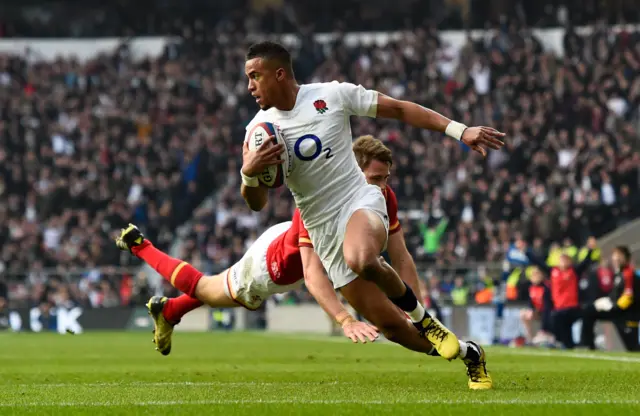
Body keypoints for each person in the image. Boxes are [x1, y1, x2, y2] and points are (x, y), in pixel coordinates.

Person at [239, 41, 504, 372]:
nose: (249, 86)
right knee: (394, 329)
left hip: (358, 199)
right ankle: (470, 354)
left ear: (278, 74)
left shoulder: (331, 96)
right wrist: (249, 174)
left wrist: (460, 130)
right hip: (323, 230)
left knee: (362, 258)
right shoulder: (258, 133)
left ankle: (425, 320)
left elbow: (399, 109)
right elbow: (256, 202)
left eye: (255, 76)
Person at [116, 222, 490, 389]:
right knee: (207, 288)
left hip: (305, 249)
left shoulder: (375, 196)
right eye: (372, 176)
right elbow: (313, 276)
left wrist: (421, 314)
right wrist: (344, 318)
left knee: (392, 325)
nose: (377, 183)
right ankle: (140, 246)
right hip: (272, 264)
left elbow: (401, 254)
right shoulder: (319, 201)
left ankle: (170, 312)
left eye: (381, 177)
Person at [517, 238, 597, 349]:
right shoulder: (553, 272)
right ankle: (566, 344)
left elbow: (585, 262)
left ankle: (580, 343)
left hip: (572, 308)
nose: (563, 261)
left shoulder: (574, 272)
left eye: (566, 259)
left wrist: (590, 249)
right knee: (560, 324)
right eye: (561, 259)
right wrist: (525, 251)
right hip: (559, 309)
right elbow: (538, 262)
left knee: (575, 317)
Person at [580, 246, 640, 351]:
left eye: (619, 256)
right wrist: (606, 301)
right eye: (615, 256)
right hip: (619, 313)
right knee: (589, 311)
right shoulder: (618, 274)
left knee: (633, 348)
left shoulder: (628, 274)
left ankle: (588, 345)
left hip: (627, 315)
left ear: (626, 258)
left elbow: (628, 296)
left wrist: (612, 306)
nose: (616, 259)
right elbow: (616, 294)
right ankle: (588, 345)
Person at [518, 266, 554, 346]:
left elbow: (548, 306)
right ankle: (530, 337)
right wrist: (532, 310)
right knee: (523, 313)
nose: (535, 276)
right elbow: (530, 303)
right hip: (537, 312)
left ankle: (544, 333)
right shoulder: (531, 287)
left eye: (537, 274)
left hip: (547, 313)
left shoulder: (546, 287)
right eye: (533, 274)